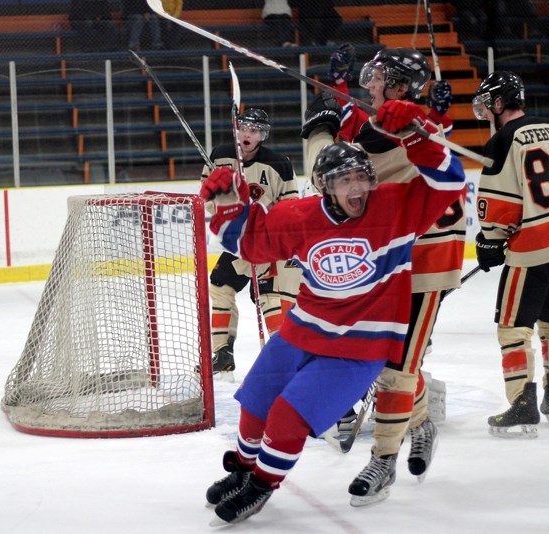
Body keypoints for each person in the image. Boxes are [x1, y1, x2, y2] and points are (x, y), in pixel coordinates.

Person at [200, 104, 466, 524]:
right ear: (326, 186)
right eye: (346, 180)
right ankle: (246, 468)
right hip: (300, 332)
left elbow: (450, 181)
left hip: (360, 347)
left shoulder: (396, 208)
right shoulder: (300, 217)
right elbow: (247, 246)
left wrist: (417, 138)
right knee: (254, 403)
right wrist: (228, 202)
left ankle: (262, 484)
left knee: (288, 415)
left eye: (362, 177)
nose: (357, 187)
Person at [302, 48, 462, 506]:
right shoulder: (385, 121)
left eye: (377, 79)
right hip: (388, 259)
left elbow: (338, 162)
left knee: (396, 366)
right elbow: (336, 167)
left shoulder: (417, 123)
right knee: (379, 359)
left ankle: (384, 461)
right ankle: (422, 421)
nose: (369, 84)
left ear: (397, 85)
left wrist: (323, 124)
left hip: (426, 262)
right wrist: (334, 109)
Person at [471, 71, 549, 438]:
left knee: (513, 326)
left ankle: (523, 402)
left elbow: (497, 210)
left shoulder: (501, 142)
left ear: (498, 103)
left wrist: (490, 241)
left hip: (534, 250)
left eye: (486, 103)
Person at [201, 108, 298, 375]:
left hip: (268, 243)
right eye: (244, 128)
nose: (247, 134)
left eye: (254, 131)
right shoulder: (220, 156)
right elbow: (207, 198)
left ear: (262, 136)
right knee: (220, 285)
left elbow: (291, 205)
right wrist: (230, 208)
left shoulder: (279, 163)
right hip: (239, 244)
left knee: (268, 296)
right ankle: (222, 352)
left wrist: (264, 220)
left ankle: (283, 356)